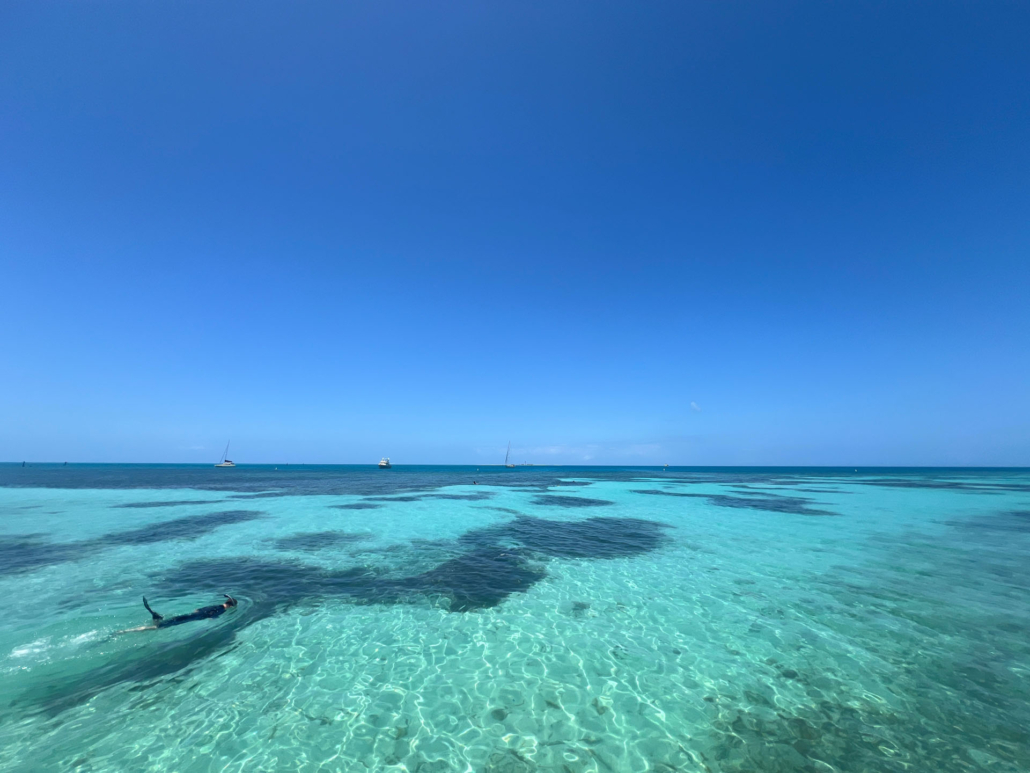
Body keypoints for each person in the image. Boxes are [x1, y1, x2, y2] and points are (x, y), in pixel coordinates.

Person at [121, 594, 238, 632]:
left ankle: (156, 617)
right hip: (192, 618)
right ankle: (126, 631)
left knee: (166, 622)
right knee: (158, 627)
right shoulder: (221, 610)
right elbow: (212, 617)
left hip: (191, 615)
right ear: (231, 606)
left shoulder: (216, 605)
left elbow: (198, 609)